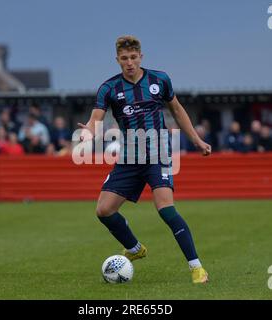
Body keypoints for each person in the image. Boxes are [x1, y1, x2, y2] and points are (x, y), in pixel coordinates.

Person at [77, 35, 211, 284]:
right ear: (117, 60)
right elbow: (96, 117)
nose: (129, 63)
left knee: (165, 209)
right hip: (128, 157)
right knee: (104, 210)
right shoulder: (109, 88)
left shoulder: (159, 80)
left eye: (133, 57)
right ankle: (135, 248)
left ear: (141, 57)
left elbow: (177, 109)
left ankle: (197, 268)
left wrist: (196, 140)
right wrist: (88, 132)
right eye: (124, 58)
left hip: (157, 154)